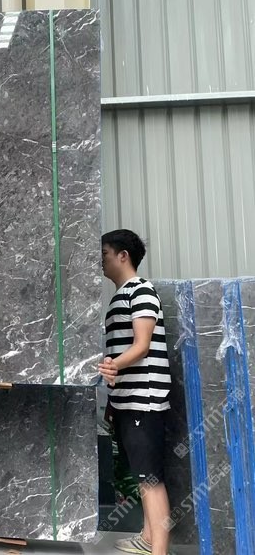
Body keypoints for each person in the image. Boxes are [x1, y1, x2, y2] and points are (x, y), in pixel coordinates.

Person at [98, 230, 171, 555]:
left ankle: (160, 550)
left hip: (145, 402)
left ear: (123, 255)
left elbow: (141, 346)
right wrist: (113, 401)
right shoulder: (121, 296)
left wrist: (113, 366)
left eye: (105, 254)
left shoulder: (141, 291)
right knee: (142, 476)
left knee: (151, 480)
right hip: (127, 402)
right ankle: (148, 538)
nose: (101, 261)